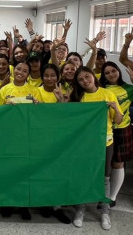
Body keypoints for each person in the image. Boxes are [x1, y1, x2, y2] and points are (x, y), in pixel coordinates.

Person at [66, 66, 123, 231]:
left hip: (106, 142)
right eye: (81, 79)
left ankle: (105, 212)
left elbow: (118, 120)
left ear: (93, 76)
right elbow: (70, 118)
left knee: (105, 178)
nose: (85, 81)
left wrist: (113, 107)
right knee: (83, 176)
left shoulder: (107, 94)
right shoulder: (78, 96)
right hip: (84, 144)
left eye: (87, 77)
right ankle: (80, 209)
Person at [99, 61, 133, 206]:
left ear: (119, 71)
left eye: (113, 71)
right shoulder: (101, 89)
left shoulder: (128, 89)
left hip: (122, 129)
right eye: (107, 73)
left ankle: (112, 197)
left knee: (118, 163)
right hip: (103, 131)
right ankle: (101, 193)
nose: (111, 74)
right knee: (104, 165)